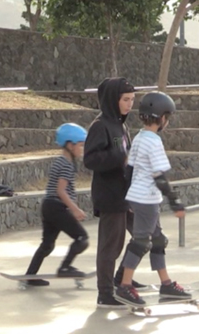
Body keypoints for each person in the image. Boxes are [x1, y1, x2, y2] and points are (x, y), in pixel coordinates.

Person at [114, 91, 190, 306]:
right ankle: (125, 286)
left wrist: (128, 198)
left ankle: (166, 284)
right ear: (163, 118)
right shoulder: (154, 141)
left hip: (136, 197)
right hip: (147, 199)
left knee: (158, 240)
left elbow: (129, 169)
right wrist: (175, 201)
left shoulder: (139, 137)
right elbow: (160, 176)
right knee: (141, 242)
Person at [83, 77, 144, 308]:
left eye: (132, 100)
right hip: (110, 196)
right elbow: (90, 159)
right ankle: (105, 293)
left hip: (128, 194)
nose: (130, 105)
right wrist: (120, 158)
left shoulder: (122, 125)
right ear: (113, 100)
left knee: (144, 236)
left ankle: (122, 278)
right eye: (125, 99)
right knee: (111, 246)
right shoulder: (101, 126)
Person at [24, 123, 89, 285]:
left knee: (47, 245)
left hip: (49, 206)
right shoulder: (66, 165)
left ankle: (30, 276)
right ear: (69, 144)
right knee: (82, 238)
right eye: (80, 146)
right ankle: (65, 267)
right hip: (57, 207)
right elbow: (61, 191)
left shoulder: (60, 161)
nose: (82, 150)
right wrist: (75, 209)